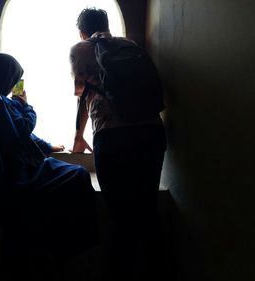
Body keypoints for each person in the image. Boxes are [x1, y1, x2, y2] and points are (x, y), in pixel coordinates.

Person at [0, 53, 99, 280]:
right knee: (77, 176)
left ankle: (58, 251)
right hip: (12, 177)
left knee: (74, 176)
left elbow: (23, 135)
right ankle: (67, 250)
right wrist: (28, 108)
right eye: (13, 79)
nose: (13, 85)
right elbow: (16, 134)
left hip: (16, 168)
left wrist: (49, 145)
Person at [69, 8, 167, 281]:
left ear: (82, 32)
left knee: (121, 218)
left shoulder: (80, 49)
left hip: (113, 138)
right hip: (151, 133)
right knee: (148, 213)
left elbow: (83, 93)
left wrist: (78, 136)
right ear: (107, 25)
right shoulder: (130, 46)